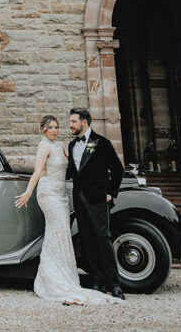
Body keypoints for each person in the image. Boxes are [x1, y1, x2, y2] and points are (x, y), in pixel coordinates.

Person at [15, 114, 122, 306]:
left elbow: (75, 169)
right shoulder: (44, 146)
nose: (56, 130)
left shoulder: (66, 146)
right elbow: (38, 171)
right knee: (60, 232)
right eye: (51, 127)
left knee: (67, 234)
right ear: (43, 130)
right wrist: (28, 192)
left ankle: (100, 282)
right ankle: (55, 278)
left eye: (58, 126)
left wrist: (108, 191)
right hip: (49, 194)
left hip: (64, 196)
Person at [67, 107, 126, 300]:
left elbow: (118, 170)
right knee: (87, 240)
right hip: (80, 200)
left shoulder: (102, 143)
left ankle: (114, 284)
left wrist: (110, 193)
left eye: (73, 121)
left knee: (103, 239)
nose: (70, 124)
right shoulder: (71, 146)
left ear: (84, 122)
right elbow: (74, 172)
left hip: (98, 200)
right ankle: (97, 281)